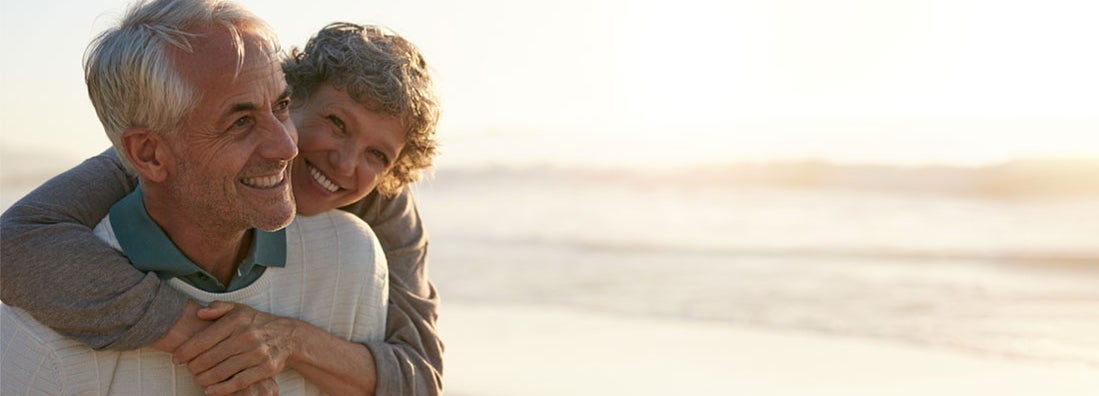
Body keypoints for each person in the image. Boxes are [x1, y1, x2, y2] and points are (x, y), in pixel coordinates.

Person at [0, 0, 441, 394]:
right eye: (336, 123)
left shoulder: (376, 220)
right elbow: (14, 242)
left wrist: (288, 339)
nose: (345, 164)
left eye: (377, 154)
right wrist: (204, 338)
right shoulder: (146, 160)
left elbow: (420, 377)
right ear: (292, 92)